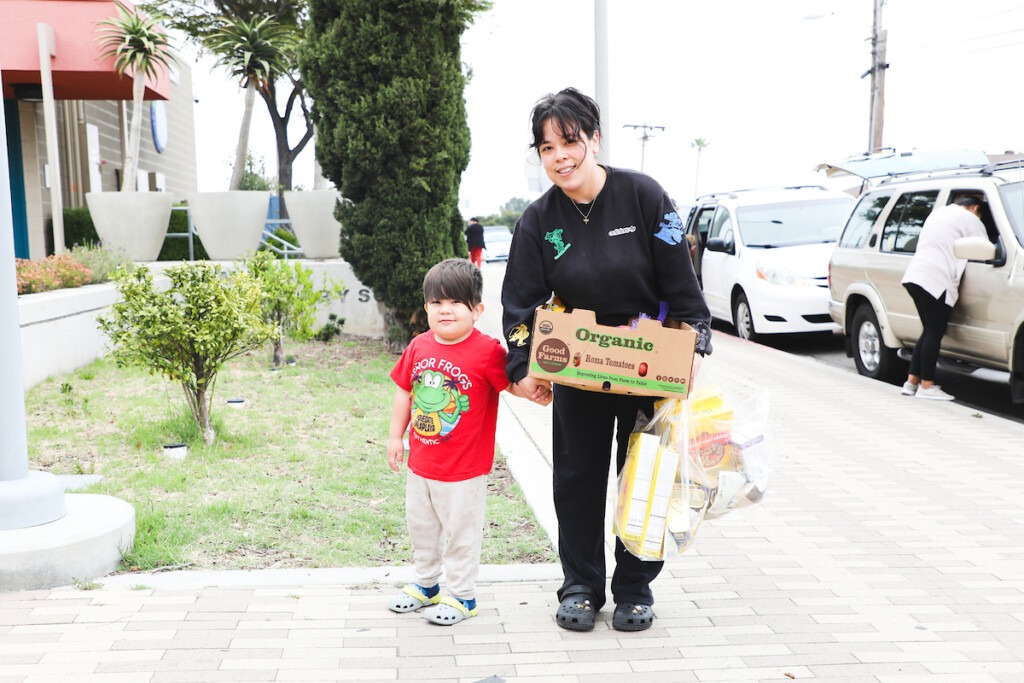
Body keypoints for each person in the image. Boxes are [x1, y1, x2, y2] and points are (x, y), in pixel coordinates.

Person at [500, 87, 712, 633]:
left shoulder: (644, 196)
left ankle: (635, 587)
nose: (561, 157)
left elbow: (682, 285)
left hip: (649, 359)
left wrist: (693, 346)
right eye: (547, 148)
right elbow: (519, 303)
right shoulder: (538, 220)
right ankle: (580, 586)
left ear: (594, 139)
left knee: (647, 475)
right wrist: (523, 368)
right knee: (576, 478)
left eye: (570, 141)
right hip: (580, 365)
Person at [386, 258, 550, 626]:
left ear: (477, 310)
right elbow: (403, 392)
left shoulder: (487, 350)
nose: (445, 310)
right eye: (436, 303)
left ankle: (463, 596)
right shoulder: (418, 346)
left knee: (461, 534)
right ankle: (427, 585)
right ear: (426, 307)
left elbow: (511, 383)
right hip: (421, 465)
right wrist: (396, 436)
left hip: (464, 470)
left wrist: (534, 390)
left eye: (455, 302)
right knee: (421, 528)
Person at [900, 195, 988, 401]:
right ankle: (927, 385)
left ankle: (911, 382)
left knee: (928, 331)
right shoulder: (970, 219)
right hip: (935, 279)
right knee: (934, 332)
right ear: (975, 208)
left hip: (915, 276)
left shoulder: (939, 212)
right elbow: (985, 249)